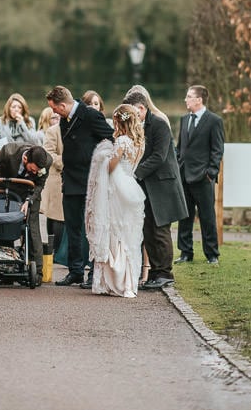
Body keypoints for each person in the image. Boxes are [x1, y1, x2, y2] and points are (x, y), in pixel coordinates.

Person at [45, 85, 113, 288]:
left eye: (55, 108)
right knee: (72, 228)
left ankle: (94, 272)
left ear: (63, 105)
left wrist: (99, 162)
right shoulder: (65, 118)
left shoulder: (91, 116)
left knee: (92, 228)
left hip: (90, 181)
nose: (53, 112)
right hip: (71, 181)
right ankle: (75, 271)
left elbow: (110, 138)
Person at [125, 87, 189, 290]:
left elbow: (158, 157)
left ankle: (165, 273)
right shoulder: (138, 126)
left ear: (142, 108)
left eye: (133, 113)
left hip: (163, 185)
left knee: (160, 231)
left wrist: (135, 173)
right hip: (147, 187)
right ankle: (154, 272)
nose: (131, 117)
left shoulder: (159, 124)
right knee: (148, 230)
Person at [86, 104, 147, 297]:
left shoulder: (122, 140)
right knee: (130, 235)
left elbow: (111, 165)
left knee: (113, 230)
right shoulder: (139, 142)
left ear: (120, 121)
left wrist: (103, 156)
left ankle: (115, 282)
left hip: (117, 188)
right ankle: (129, 283)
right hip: (131, 186)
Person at [0, 143, 52, 271]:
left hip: (30, 192)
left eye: (36, 171)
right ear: (25, 159)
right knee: (5, 224)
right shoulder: (8, 152)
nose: (34, 173)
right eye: (32, 170)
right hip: (6, 189)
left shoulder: (47, 161)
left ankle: (37, 271)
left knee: (32, 228)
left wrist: (29, 200)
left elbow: (40, 185)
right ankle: (7, 268)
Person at [176, 84, 225, 265]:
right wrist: (177, 165)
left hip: (203, 178)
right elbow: (180, 147)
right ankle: (185, 252)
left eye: (189, 96)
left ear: (199, 100)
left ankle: (212, 254)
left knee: (207, 217)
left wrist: (211, 174)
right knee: (185, 216)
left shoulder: (214, 121)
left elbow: (217, 150)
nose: (186, 100)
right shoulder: (184, 119)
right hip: (184, 175)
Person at [37, 105, 66, 269]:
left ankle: (62, 251)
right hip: (56, 176)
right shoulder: (52, 131)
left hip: (74, 177)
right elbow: (48, 153)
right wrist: (65, 161)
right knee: (56, 215)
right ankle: (54, 251)